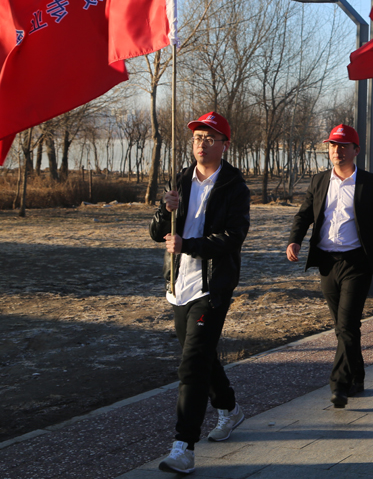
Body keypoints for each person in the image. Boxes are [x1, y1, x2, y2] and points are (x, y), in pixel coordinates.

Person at [149, 112, 251, 474]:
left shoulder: (234, 186)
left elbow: (233, 237)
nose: (201, 143)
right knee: (202, 357)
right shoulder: (181, 180)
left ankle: (183, 446)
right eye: (196, 138)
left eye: (210, 137)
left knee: (191, 364)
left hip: (213, 287)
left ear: (225, 144)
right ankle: (230, 409)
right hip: (179, 285)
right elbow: (157, 233)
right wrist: (165, 211)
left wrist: (188, 244)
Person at [287, 125, 373, 408]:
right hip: (327, 262)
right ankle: (358, 374)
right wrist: (294, 241)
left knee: (346, 324)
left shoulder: (372, 183)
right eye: (333, 145)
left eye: (344, 145)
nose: (337, 150)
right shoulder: (319, 180)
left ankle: (339, 385)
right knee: (343, 327)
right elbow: (304, 215)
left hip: (357, 262)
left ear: (356, 150)